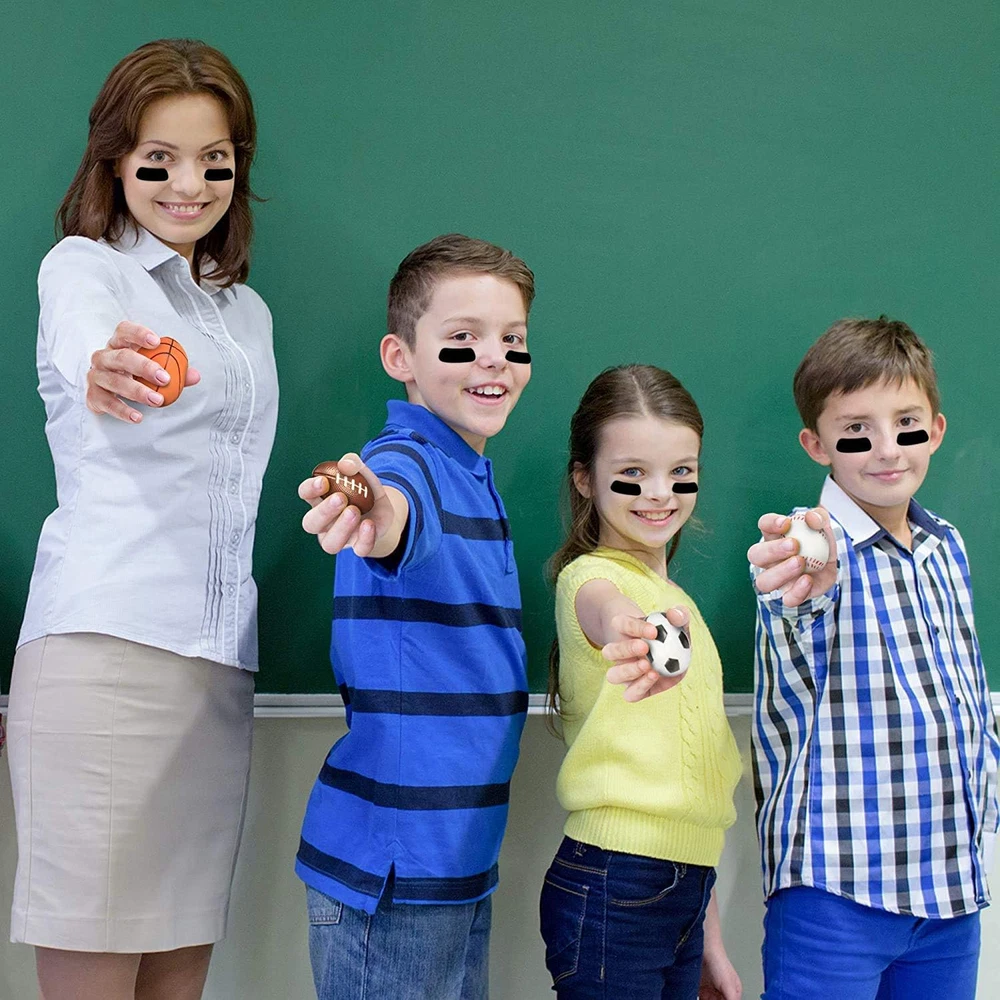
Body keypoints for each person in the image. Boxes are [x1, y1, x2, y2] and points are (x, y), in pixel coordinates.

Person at [6, 39, 278, 1000]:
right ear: (116, 161)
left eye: (215, 160)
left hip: (216, 667)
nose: (189, 185)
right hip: (106, 656)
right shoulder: (84, 271)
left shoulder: (245, 314)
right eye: (159, 160)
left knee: (178, 971)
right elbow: (93, 346)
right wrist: (107, 364)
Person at [295, 234, 534, 1000]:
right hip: (396, 875)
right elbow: (394, 508)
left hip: (457, 864)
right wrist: (371, 507)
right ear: (401, 356)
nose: (494, 358)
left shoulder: (470, 472)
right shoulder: (409, 459)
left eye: (513, 341)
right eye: (463, 339)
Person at [748, 317, 999, 999]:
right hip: (838, 889)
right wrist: (806, 577)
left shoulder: (947, 547)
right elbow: (797, 603)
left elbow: (964, 692)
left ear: (935, 430)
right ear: (817, 444)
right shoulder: (807, 547)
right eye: (857, 430)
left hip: (950, 889)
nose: (887, 449)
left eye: (906, 424)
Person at [539, 364, 743, 999]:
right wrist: (633, 630)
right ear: (584, 478)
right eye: (633, 473)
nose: (660, 494)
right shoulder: (590, 579)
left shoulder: (679, 601)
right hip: (615, 882)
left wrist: (707, 936)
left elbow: (687, 791)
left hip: (683, 890)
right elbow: (606, 610)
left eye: (681, 473)